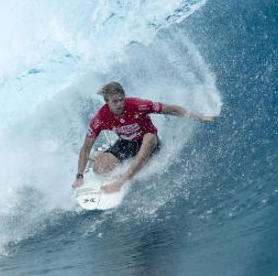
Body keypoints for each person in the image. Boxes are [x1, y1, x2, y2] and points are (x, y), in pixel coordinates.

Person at [72, 81, 217, 194]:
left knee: (149, 139)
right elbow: (85, 148)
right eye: (114, 101)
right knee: (99, 170)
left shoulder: (138, 105)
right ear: (106, 101)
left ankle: (121, 182)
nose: (119, 104)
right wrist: (79, 176)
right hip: (126, 143)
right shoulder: (100, 119)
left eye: (121, 99)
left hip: (148, 140)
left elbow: (170, 109)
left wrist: (199, 117)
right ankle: (102, 157)